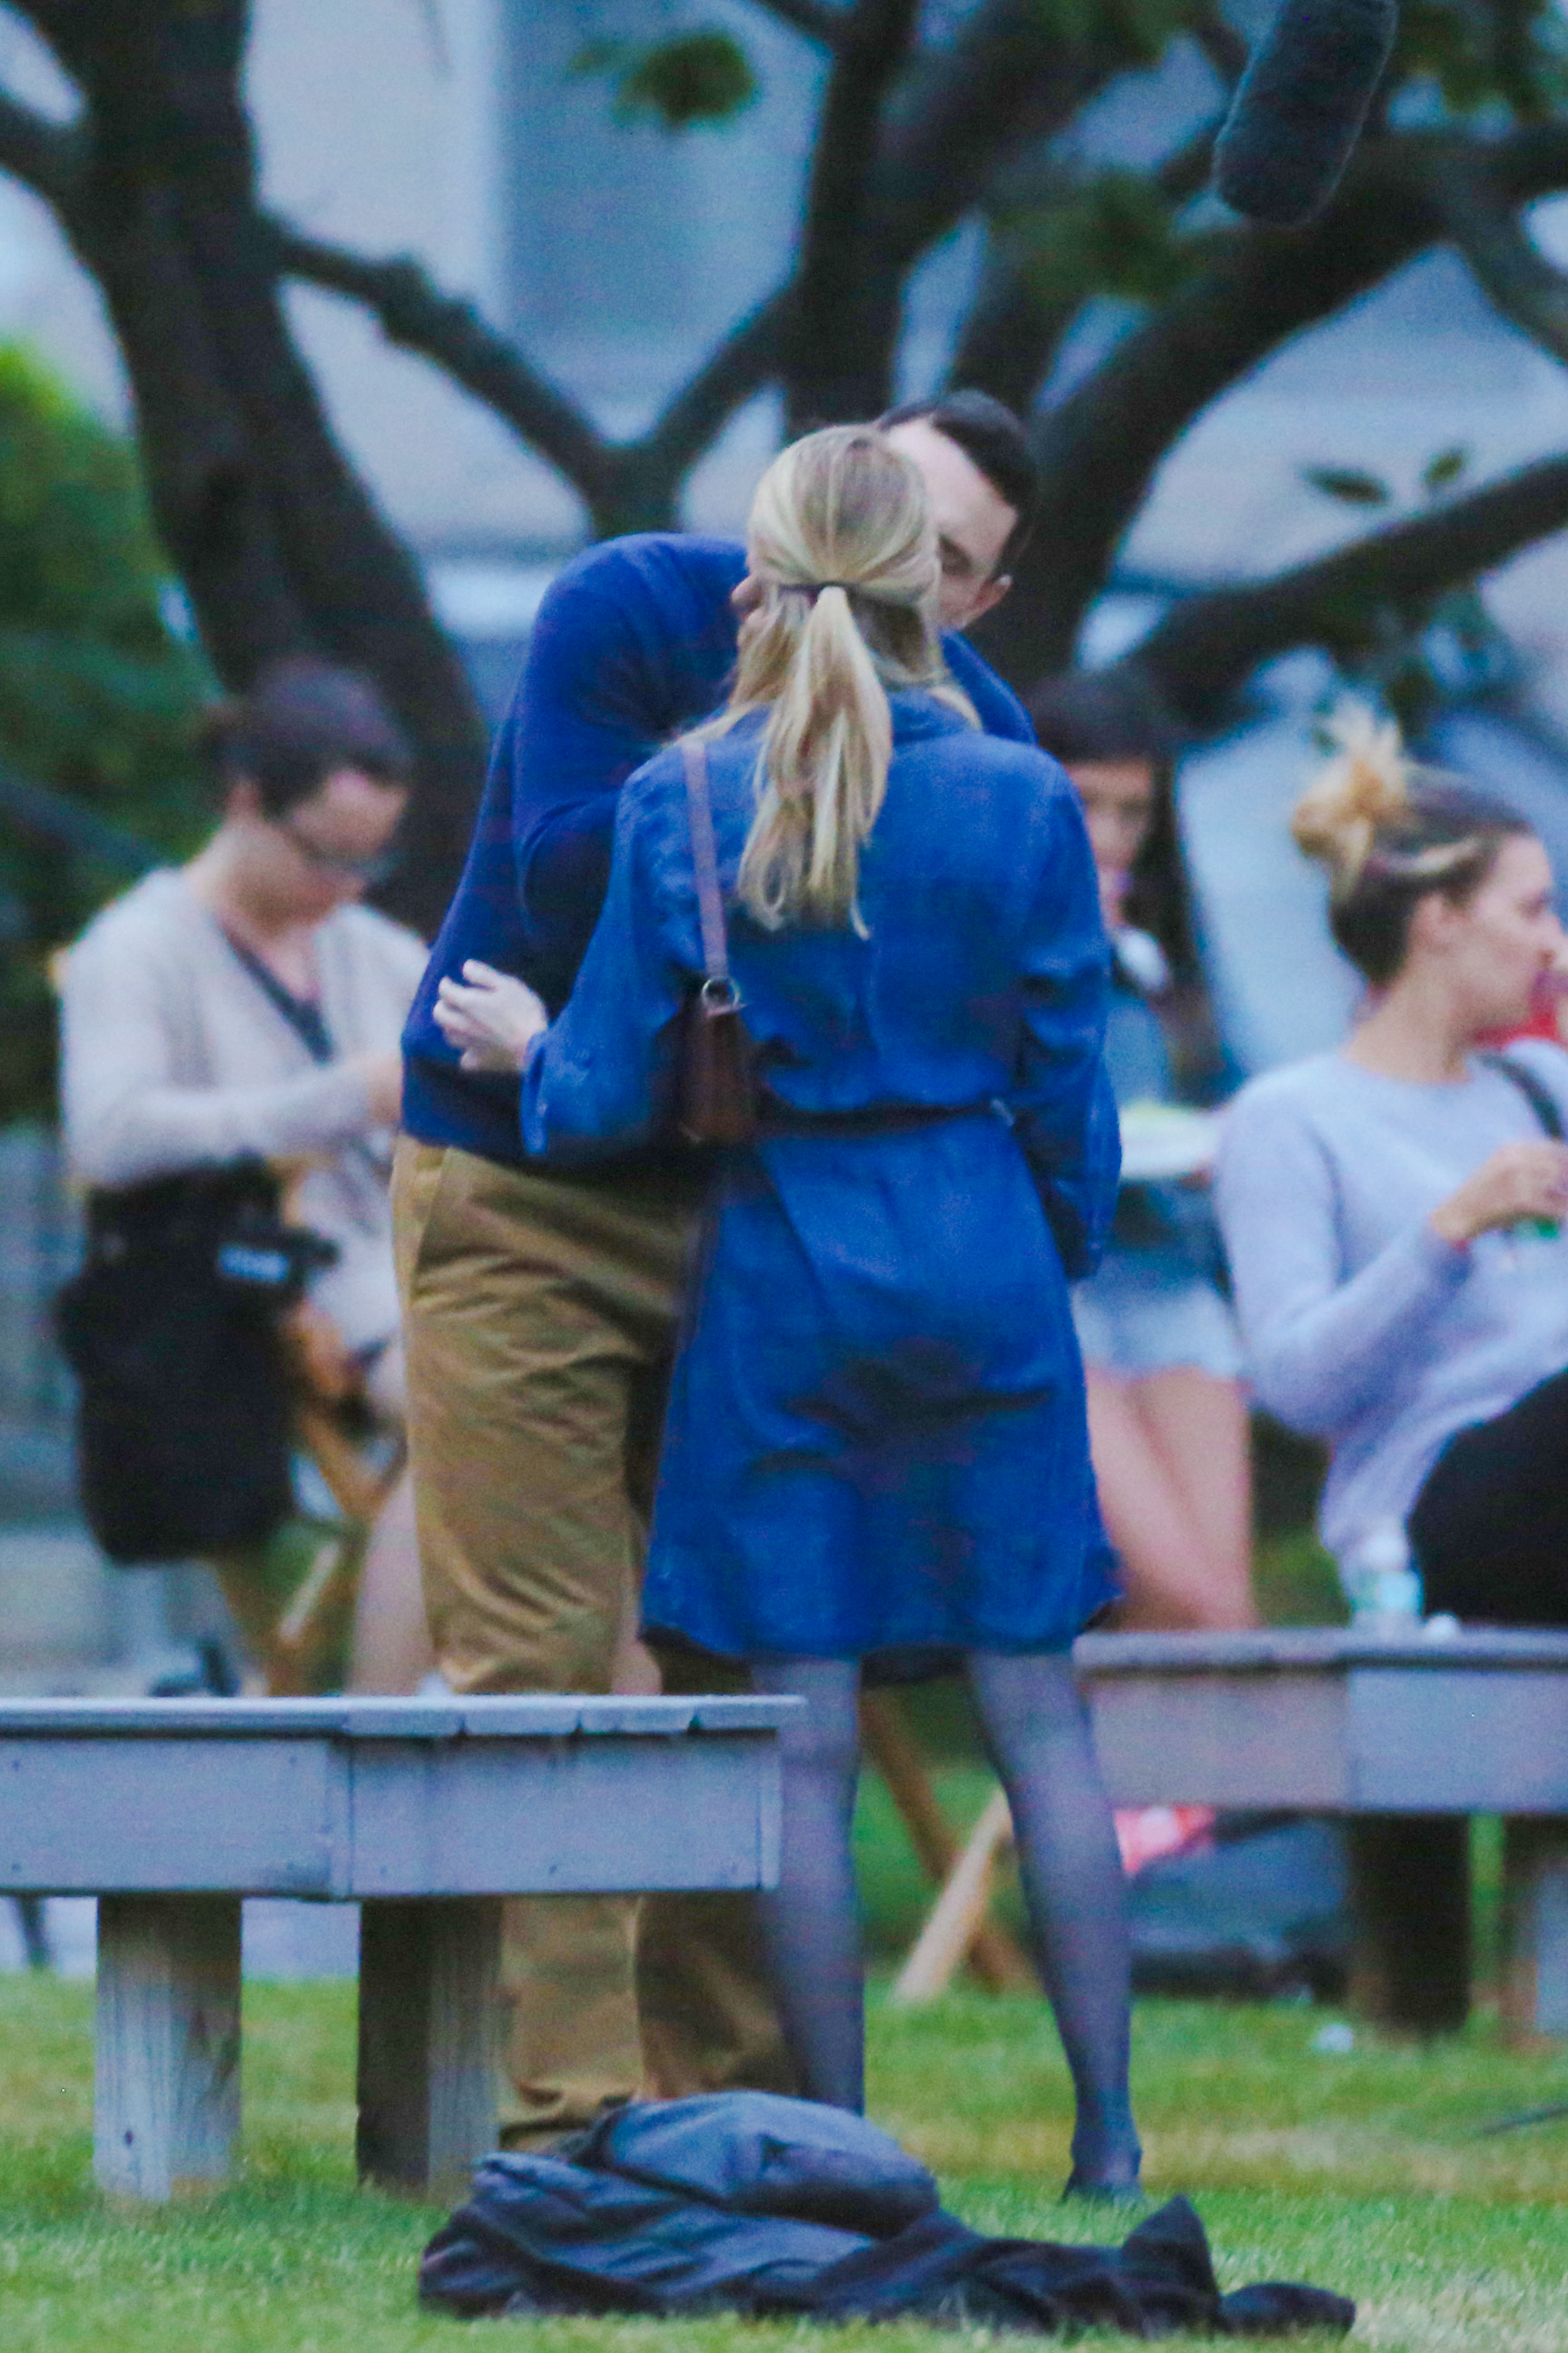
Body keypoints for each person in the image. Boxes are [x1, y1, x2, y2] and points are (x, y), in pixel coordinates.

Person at [440, 426, 1140, 2199]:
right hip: (980, 1246)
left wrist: (528, 1053)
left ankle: (839, 2138)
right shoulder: (1023, 794)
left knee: (803, 1737)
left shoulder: (684, 794)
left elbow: (605, 1092)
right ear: (931, 591)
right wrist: (1048, 1244)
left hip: (783, 1265)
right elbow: (1069, 1085)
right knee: (1039, 1715)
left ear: (755, 579)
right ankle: (1105, 2137)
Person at [60, 657, 431, 1693]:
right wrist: (339, 1096)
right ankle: (383, 1737)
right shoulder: (136, 948)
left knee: (605, 1410)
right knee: (480, 1421)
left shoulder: (369, 946)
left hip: (420, 1272)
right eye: (325, 854)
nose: (348, 884)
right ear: (245, 803)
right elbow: (110, 1134)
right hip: (281, 1295)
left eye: (372, 857)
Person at [1215, 705, 1568, 1626]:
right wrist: (1448, 1229)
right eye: (1531, 909)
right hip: (1427, 1508)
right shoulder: (1290, 1117)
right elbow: (1294, 1387)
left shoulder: (1537, 1081)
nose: (1552, 942)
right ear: (1439, 919)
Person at [1030, 677, 1255, 1633]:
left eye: (1132, 813)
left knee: (1219, 1619)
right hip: (1054, 1292)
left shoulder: (1157, 952)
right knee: (1178, 1598)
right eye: (1085, 805)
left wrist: (1225, 1135)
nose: (1110, 836)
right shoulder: (1001, 941)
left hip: (1164, 1275)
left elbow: (1218, 1089)